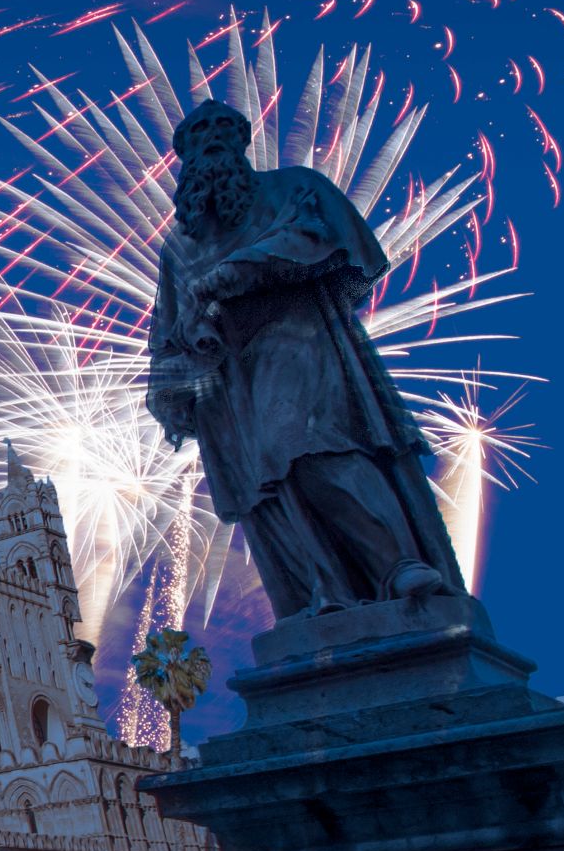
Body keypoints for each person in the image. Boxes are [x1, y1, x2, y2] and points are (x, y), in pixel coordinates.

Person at [146, 100, 463, 619]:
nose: (210, 139)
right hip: (228, 378)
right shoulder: (179, 246)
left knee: (306, 445)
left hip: (297, 341)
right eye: (197, 134)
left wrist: (233, 272)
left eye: (221, 128)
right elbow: (167, 325)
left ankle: (395, 562)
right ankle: (326, 590)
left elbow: (317, 237)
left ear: (241, 138)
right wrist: (172, 371)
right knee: (262, 489)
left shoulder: (291, 187)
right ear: (184, 156)